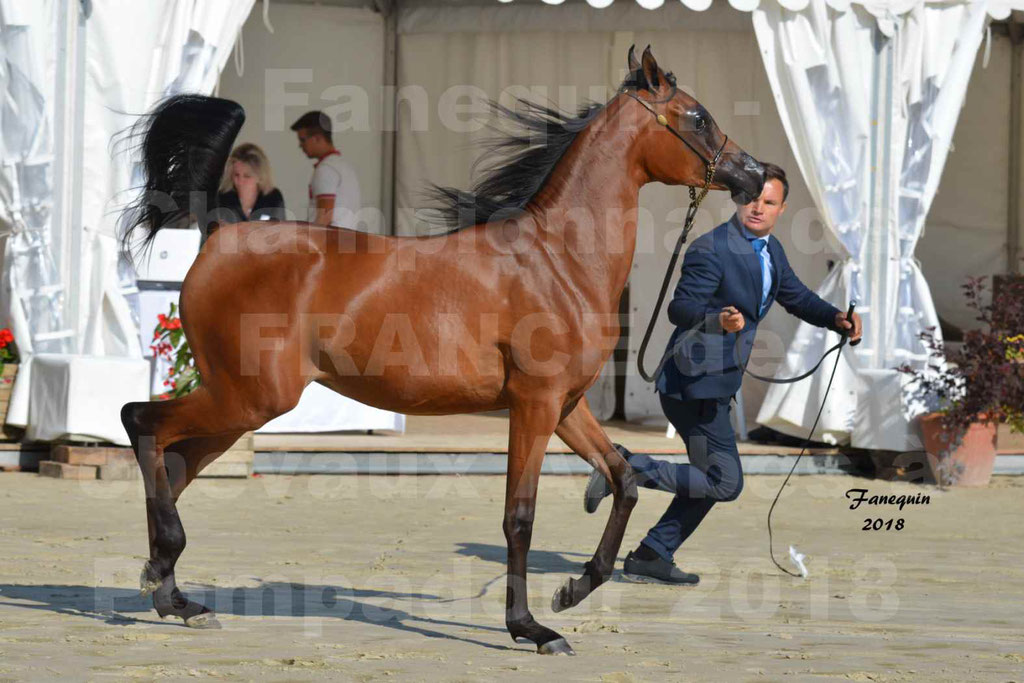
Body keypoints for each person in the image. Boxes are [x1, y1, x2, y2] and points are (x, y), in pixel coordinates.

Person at [584, 162, 862, 585]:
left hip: (717, 381)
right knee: (725, 481)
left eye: (768, 202)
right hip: (691, 382)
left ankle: (652, 555)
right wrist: (718, 319)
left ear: (782, 208)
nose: (758, 208)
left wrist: (835, 319)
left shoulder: (771, 251)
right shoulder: (712, 248)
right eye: (751, 198)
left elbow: (796, 296)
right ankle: (625, 467)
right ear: (738, 199)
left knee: (708, 479)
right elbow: (681, 308)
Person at [290, 111, 361, 227]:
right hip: (348, 240)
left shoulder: (326, 169)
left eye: (303, 140)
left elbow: (324, 218)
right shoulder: (345, 166)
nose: (300, 145)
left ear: (317, 138)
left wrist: (308, 243)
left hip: (331, 243)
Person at [216, 143, 286, 223]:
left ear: (260, 176)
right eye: (236, 175)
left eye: (247, 176)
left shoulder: (273, 199)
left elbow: (281, 231)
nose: (240, 181)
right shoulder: (223, 199)